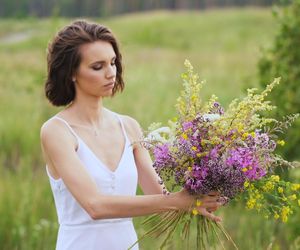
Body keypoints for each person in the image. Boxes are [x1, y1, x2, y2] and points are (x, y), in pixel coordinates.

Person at [40, 20, 223, 250]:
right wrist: (177, 201)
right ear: (72, 73)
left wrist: (201, 190)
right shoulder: (57, 131)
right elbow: (95, 206)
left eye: (113, 62)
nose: (111, 73)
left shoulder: (129, 127)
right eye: (98, 67)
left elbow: (161, 197)